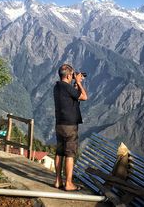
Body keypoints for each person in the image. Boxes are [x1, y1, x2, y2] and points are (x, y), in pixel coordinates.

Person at [53, 63, 88, 191]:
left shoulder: (57, 87)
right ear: (68, 75)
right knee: (69, 154)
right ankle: (68, 184)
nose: (73, 77)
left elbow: (70, 98)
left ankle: (57, 181)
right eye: (72, 75)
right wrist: (78, 83)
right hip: (70, 126)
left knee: (59, 152)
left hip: (59, 124)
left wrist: (73, 85)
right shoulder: (68, 88)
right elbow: (84, 97)